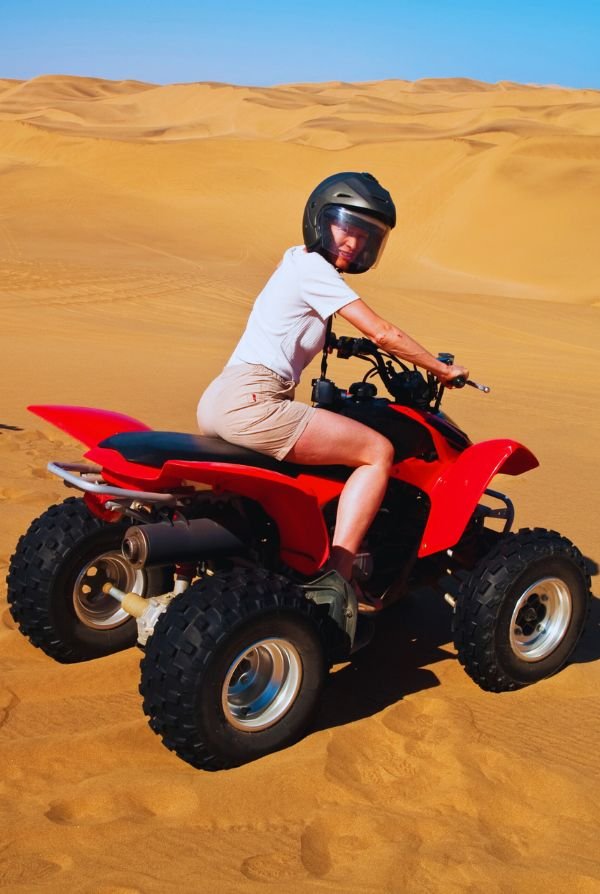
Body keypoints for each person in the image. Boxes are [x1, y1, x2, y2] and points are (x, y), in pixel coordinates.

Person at [198, 171, 468, 608]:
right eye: (346, 227)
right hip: (255, 401)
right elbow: (383, 332)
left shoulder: (296, 262)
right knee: (377, 452)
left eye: (366, 236)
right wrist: (440, 369)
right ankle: (339, 574)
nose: (353, 243)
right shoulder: (315, 272)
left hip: (222, 399)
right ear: (320, 219)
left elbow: (290, 326)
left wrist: (342, 343)